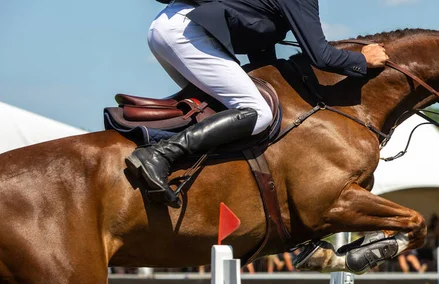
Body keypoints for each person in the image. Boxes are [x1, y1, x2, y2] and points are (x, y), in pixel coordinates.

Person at [125, 0, 389, 208]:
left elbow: (260, 46)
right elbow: (320, 56)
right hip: (186, 32)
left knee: (217, 113)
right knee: (258, 113)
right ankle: (159, 155)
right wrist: (362, 60)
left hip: (170, 28)